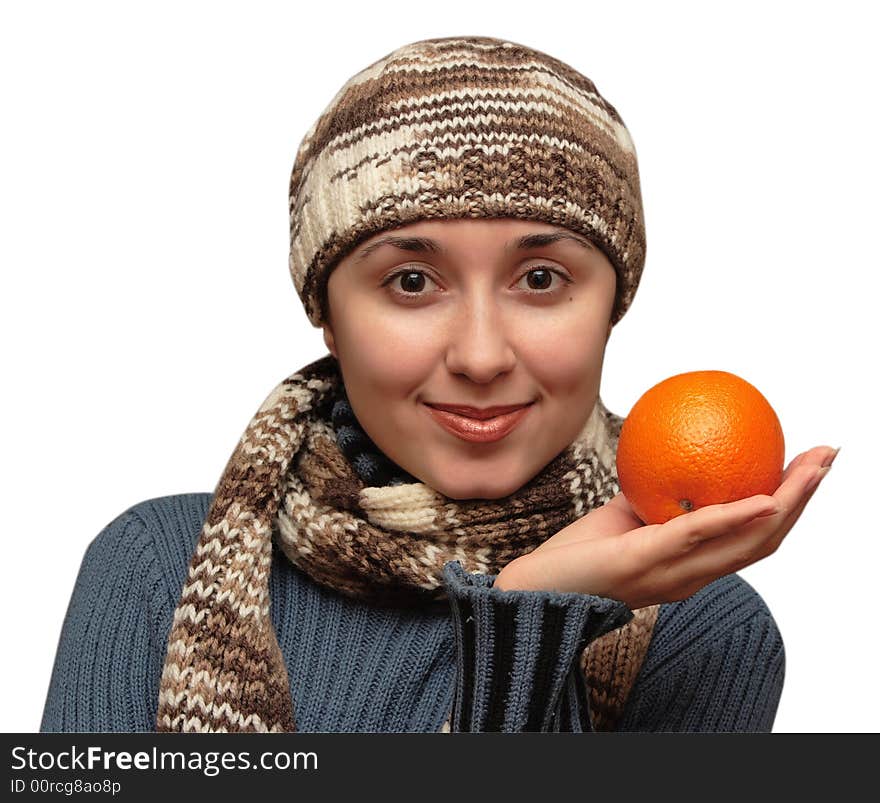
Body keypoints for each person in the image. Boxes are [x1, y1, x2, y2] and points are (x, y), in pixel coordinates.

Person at [40, 35, 835, 734]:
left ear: (612, 304)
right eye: (413, 281)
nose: (483, 356)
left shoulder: (700, 634)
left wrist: (532, 615)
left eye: (542, 277)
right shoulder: (155, 570)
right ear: (327, 312)